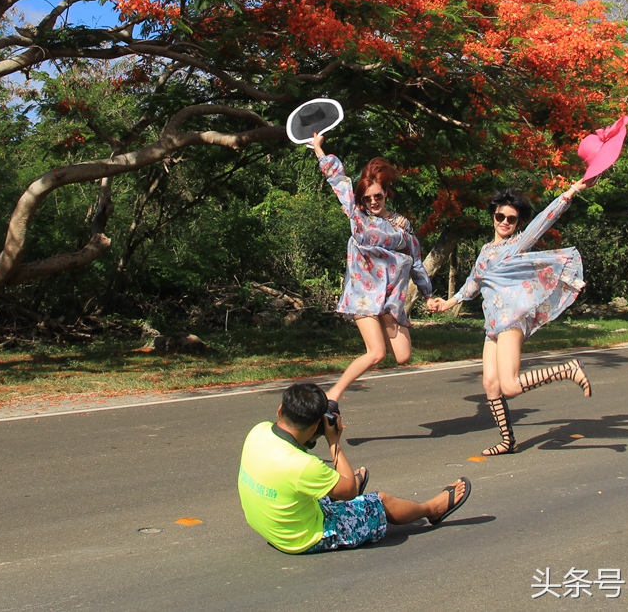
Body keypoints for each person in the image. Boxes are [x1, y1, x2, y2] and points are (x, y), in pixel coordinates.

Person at [426, 181, 591, 456]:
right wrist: (448, 302)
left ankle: (568, 370)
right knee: (490, 384)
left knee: (511, 385)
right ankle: (508, 440)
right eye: (500, 216)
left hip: (512, 319)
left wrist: (571, 191)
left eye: (511, 219)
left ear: (518, 223)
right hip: (492, 324)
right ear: (493, 216)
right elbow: (473, 283)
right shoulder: (486, 250)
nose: (504, 222)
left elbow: (544, 220)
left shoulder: (518, 244)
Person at [238, 382, 473, 553]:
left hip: (268, 525)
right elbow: (348, 490)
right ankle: (431, 509)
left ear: (280, 411)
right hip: (299, 538)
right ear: (315, 426)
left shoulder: (259, 430)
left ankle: (338, 487)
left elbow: (293, 462)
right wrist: (334, 442)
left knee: (318, 484)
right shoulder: (303, 466)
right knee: (379, 501)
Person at [310, 131, 432, 408]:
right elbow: (337, 180)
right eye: (367, 198)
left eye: (377, 196)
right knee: (376, 353)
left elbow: (415, 260)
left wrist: (428, 295)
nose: (373, 202)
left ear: (386, 193)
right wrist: (319, 149)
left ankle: (334, 393)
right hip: (363, 296)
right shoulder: (357, 215)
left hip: (390, 300)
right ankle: (332, 395)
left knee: (403, 357)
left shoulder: (402, 225)